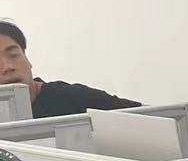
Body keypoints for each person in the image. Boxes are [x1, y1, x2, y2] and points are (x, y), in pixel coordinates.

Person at [0, 21, 140, 117]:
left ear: (27, 58)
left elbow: (146, 117)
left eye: (14, 55)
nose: (8, 67)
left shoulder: (74, 98)